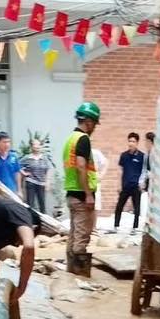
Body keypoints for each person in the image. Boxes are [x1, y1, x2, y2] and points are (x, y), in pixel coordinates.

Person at [63, 102, 101, 275]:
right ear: (89, 121)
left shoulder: (70, 139)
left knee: (74, 235)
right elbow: (80, 166)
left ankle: (70, 274)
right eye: (94, 124)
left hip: (72, 193)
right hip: (81, 195)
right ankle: (78, 276)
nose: (94, 128)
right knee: (81, 237)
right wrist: (88, 194)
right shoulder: (83, 139)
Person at [115, 131, 145, 231]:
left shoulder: (142, 156)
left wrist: (142, 184)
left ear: (137, 143)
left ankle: (135, 228)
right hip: (125, 185)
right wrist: (119, 185)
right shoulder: (124, 155)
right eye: (129, 141)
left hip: (136, 186)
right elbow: (120, 170)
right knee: (119, 206)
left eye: (133, 141)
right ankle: (116, 226)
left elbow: (144, 171)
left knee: (137, 208)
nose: (131, 143)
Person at [20, 137, 51, 214]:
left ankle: (43, 219)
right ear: (31, 146)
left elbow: (48, 169)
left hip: (41, 183)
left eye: (38, 144)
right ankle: (30, 219)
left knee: (42, 204)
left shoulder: (44, 158)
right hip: (31, 182)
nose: (36, 146)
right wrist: (24, 173)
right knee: (30, 204)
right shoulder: (27, 158)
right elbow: (17, 165)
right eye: (35, 144)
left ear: (41, 146)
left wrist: (47, 182)